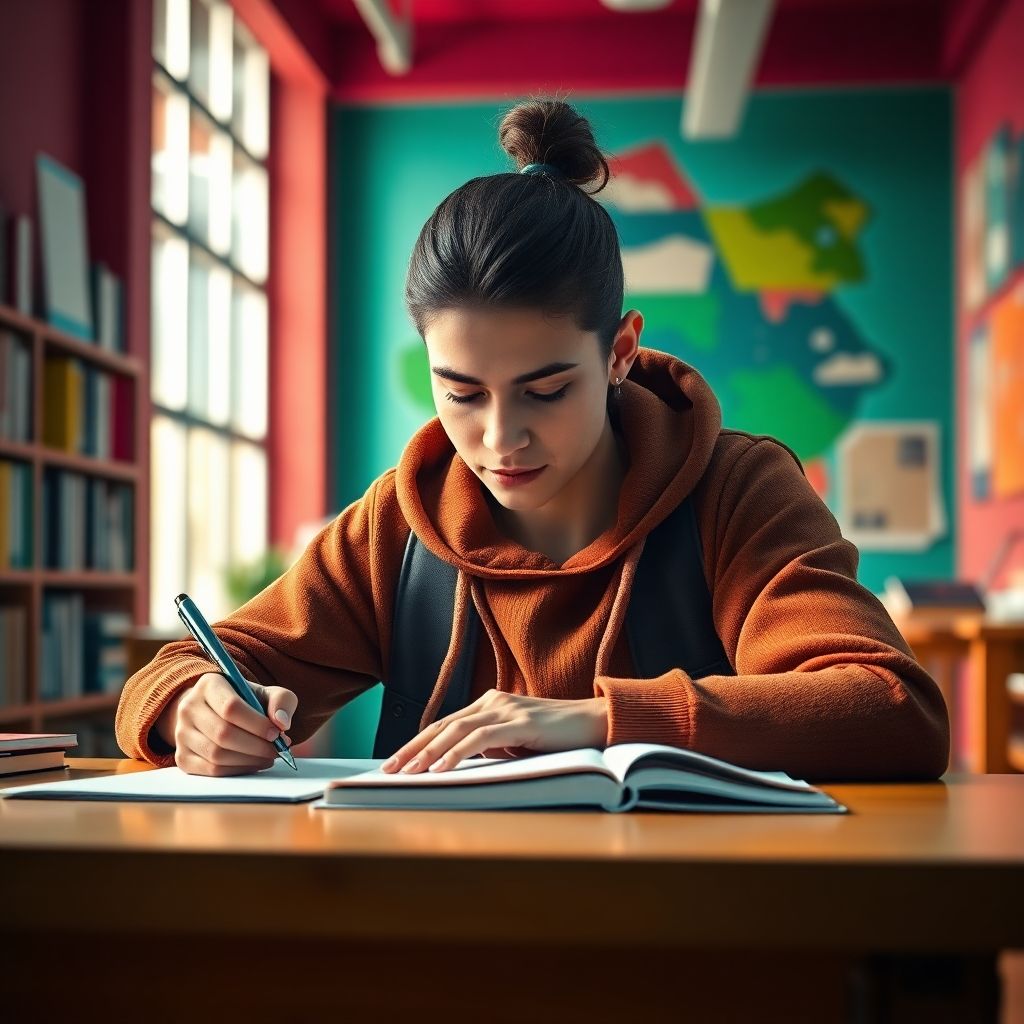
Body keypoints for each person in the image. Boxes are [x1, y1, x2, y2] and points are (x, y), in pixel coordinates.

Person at [115, 98, 949, 782]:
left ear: (620, 350)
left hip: (691, 932)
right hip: (441, 932)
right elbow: (182, 670)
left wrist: (599, 719)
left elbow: (890, 708)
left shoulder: (738, 490)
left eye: (546, 390)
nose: (499, 436)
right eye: (461, 392)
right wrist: (194, 706)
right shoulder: (403, 523)